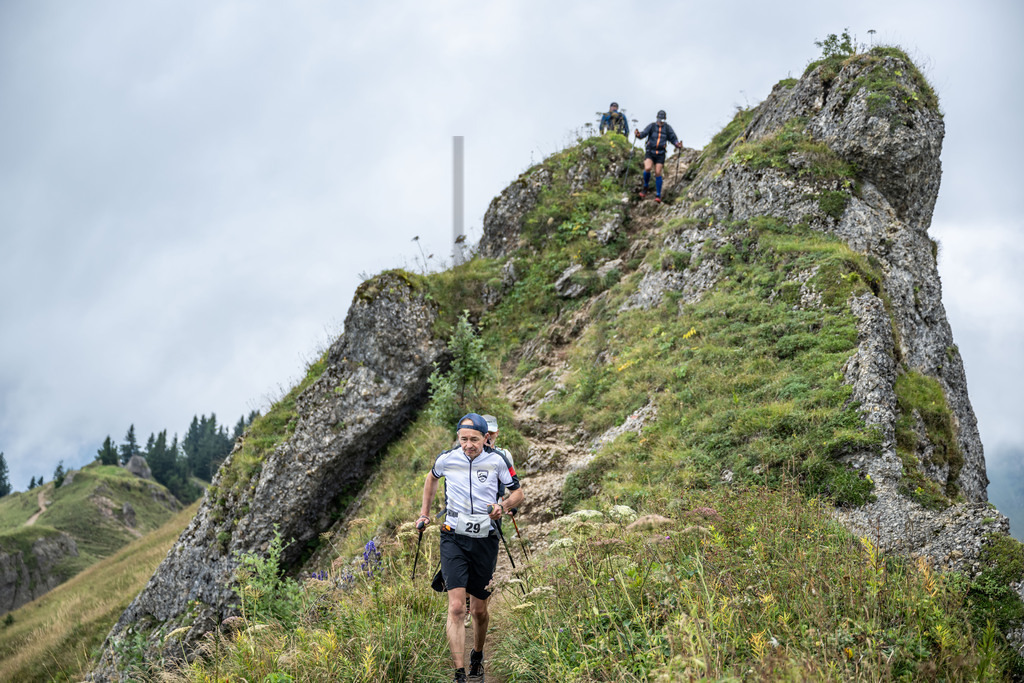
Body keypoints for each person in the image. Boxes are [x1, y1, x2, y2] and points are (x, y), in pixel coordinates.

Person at [418, 413, 525, 683]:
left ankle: (477, 654)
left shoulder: (497, 460)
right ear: (458, 438)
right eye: (463, 439)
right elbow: (431, 478)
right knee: (456, 608)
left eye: (474, 439)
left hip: (485, 539)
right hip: (453, 536)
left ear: (485, 438)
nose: (468, 444)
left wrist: (503, 506)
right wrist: (425, 514)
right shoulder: (446, 459)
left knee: (478, 610)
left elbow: (518, 492)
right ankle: (459, 673)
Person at [635, 110, 683, 203]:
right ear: (657, 118)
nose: (660, 121)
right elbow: (643, 134)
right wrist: (638, 134)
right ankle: (645, 186)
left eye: (662, 120)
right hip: (650, 151)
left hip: (660, 153)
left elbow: (673, 138)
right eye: (659, 119)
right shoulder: (652, 126)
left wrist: (678, 144)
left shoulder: (668, 128)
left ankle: (658, 194)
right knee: (647, 168)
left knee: (658, 172)